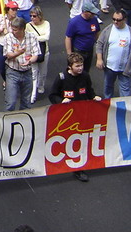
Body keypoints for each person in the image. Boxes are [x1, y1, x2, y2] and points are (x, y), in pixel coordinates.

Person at [47, 53, 102, 182]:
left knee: (80, 141)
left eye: (81, 65)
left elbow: (89, 91)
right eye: (77, 66)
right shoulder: (61, 78)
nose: (80, 68)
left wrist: (94, 97)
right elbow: (52, 95)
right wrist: (61, 101)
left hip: (82, 115)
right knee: (67, 141)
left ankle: (78, 168)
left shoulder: (85, 76)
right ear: (70, 66)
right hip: (66, 117)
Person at [0, 17, 41, 111]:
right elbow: (8, 55)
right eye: (12, 29)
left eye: (15, 30)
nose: (13, 31)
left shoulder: (32, 37)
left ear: (22, 29)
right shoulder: (8, 37)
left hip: (27, 72)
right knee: (10, 102)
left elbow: (36, 54)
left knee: (26, 102)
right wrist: (19, 52)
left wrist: (30, 61)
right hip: (12, 72)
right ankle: (8, 122)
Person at [64, 4, 101, 72]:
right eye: (92, 13)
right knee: (76, 71)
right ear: (85, 12)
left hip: (89, 50)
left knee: (86, 70)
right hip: (78, 51)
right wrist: (70, 55)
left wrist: (98, 47)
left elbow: (97, 33)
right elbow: (68, 38)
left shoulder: (94, 20)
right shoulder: (74, 22)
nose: (93, 15)